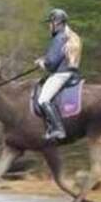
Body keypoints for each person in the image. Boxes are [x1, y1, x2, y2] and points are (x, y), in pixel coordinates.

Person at [35, 8, 82, 141]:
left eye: (50, 23)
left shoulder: (59, 38)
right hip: (69, 72)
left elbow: (52, 63)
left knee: (43, 99)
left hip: (61, 74)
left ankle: (58, 129)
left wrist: (42, 64)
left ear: (57, 22)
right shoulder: (68, 36)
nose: (49, 26)